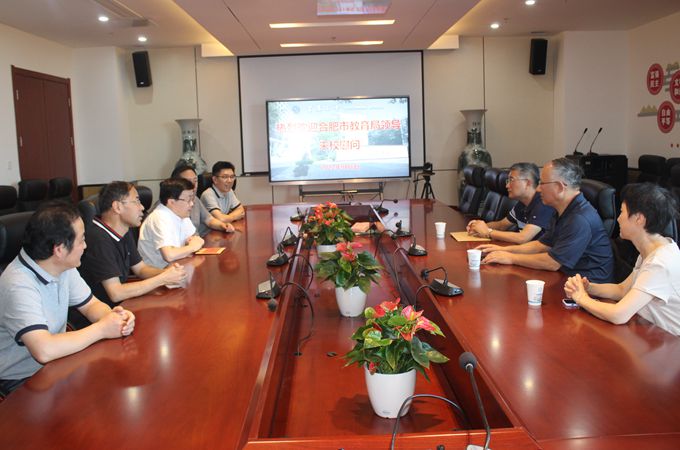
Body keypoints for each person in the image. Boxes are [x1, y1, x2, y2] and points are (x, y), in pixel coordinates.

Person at [0, 202, 135, 397]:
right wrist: (102, 329)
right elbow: (44, 350)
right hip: (21, 381)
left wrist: (115, 318)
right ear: (60, 249)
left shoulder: (61, 266)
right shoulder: (18, 284)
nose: (85, 246)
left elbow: (91, 305)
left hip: (56, 364)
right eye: (82, 240)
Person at [564, 183, 680, 335]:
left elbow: (619, 315)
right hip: (650, 334)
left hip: (669, 342)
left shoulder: (660, 262)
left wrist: (581, 298)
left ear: (639, 219)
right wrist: (588, 288)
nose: (618, 219)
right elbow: (622, 290)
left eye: (622, 212)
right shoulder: (652, 250)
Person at [478, 158, 614, 283]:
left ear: (560, 187)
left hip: (589, 289)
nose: (538, 189)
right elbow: (542, 245)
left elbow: (552, 262)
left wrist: (511, 258)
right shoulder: (561, 210)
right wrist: (505, 250)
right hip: (567, 279)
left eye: (542, 183)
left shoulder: (580, 219)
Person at [78, 181, 188, 306]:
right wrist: (162, 279)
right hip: (103, 311)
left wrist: (170, 274)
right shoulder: (98, 239)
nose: (142, 207)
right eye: (136, 201)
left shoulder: (124, 230)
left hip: (121, 306)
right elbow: (116, 293)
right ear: (117, 207)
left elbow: (141, 269)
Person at [467, 162, 555, 243]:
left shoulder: (543, 203)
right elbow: (501, 225)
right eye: (507, 181)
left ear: (527, 183)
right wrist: (478, 226)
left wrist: (488, 232)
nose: (507, 186)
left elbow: (523, 238)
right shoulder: (522, 203)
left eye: (511, 180)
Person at [138, 178, 205, 269]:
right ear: (171, 202)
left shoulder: (181, 214)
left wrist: (190, 246)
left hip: (178, 267)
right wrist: (192, 247)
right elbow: (169, 255)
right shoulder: (159, 218)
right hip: (159, 273)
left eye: (192, 199)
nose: (192, 204)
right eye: (188, 200)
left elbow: (196, 239)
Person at [171, 165, 234, 236]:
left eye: (195, 181)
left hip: (200, 239)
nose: (194, 185)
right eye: (188, 182)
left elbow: (209, 219)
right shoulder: (170, 206)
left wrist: (222, 225)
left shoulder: (195, 199)